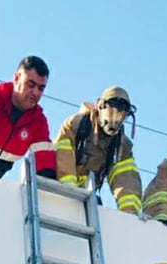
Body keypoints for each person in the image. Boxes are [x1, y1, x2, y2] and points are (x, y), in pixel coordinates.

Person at [53, 86, 142, 214]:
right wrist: (70, 193)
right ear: (100, 107)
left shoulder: (122, 145)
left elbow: (126, 180)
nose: (116, 119)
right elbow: (63, 158)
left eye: (121, 115)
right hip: (62, 189)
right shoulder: (76, 124)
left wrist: (132, 214)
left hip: (87, 195)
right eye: (112, 111)